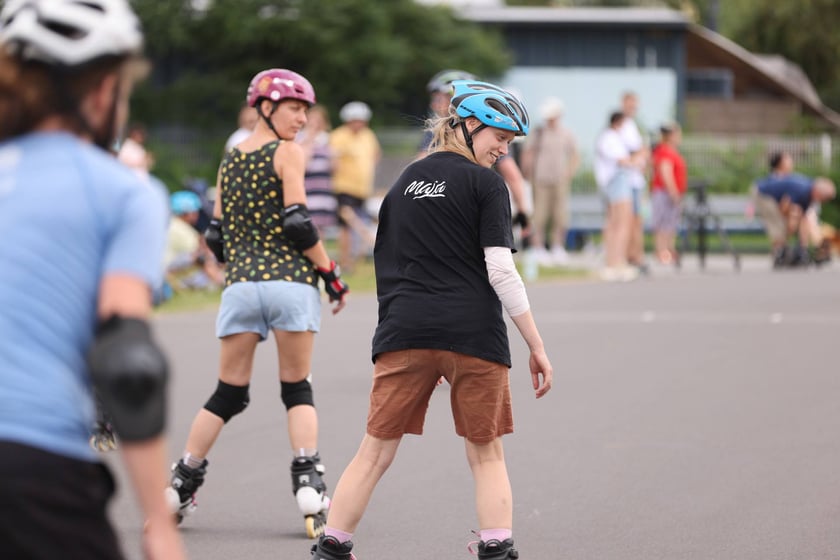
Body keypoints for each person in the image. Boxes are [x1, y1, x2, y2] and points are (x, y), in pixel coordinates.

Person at [309, 79, 553, 560]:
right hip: (474, 335)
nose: (503, 150)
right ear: (468, 125)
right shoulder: (487, 185)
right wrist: (536, 345)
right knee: (486, 453)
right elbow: (501, 269)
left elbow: (386, 263)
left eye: (510, 142)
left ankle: (332, 547)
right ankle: (496, 549)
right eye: (499, 137)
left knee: (374, 450)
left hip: (405, 331)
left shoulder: (403, 182)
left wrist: (400, 332)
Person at [0, 1, 186, 559]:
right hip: (31, 464)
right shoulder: (122, 191)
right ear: (104, 91)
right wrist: (160, 523)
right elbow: (127, 362)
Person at [166, 68, 349, 540]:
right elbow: (298, 223)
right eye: (295, 108)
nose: (302, 118)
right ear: (266, 108)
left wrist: (245, 266)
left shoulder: (230, 158)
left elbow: (215, 236)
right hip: (290, 284)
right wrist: (330, 273)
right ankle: (309, 485)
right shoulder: (287, 152)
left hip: (241, 288)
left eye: (306, 110)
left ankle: (181, 482)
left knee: (227, 393)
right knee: (297, 388)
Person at [420, 70, 531, 236]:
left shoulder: (440, 133)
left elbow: (419, 167)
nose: (433, 105)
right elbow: (513, 175)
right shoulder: (439, 132)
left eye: (438, 99)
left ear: (453, 98)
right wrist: (523, 211)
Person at [519, 96, 580, 266]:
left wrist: (568, 172)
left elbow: (575, 155)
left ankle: (557, 247)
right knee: (539, 216)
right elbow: (528, 153)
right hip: (540, 180)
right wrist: (526, 174)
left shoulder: (566, 133)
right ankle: (538, 248)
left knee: (560, 216)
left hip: (559, 180)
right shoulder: (538, 133)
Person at [752, 151, 836, 267]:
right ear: (817, 192)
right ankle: (780, 252)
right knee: (779, 223)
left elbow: (804, 218)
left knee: (800, 219)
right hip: (763, 194)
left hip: (778, 199)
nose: (822, 201)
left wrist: (802, 244)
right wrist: (789, 221)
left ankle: (801, 250)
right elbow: (784, 206)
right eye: (823, 198)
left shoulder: (809, 194)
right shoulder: (801, 190)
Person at [329, 100, 380, 272]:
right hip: (344, 187)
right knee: (347, 226)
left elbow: (375, 154)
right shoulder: (338, 136)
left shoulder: (368, 135)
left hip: (363, 188)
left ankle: (356, 260)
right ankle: (345, 261)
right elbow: (333, 161)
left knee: (361, 224)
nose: (359, 124)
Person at [595, 111, 645, 281]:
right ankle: (617, 262)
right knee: (621, 223)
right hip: (618, 180)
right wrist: (636, 161)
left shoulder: (611, 138)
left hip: (616, 180)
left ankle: (613, 261)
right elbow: (622, 160)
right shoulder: (609, 137)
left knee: (615, 222)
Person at [164, 190, 224, 293]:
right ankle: (222, 283)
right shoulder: (181, 229)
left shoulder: (171, 224)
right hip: (168, 270)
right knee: (203, 257)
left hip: (166, 268)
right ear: (188, 213)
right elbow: (198, 254)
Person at [618, 91, 650, 271]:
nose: (633, 107)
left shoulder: (633, 125)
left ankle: (636, 254)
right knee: (629, 221)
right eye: (630, 104)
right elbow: (630, 151)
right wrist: (641, 152)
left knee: (637, 220)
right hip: (628, 181)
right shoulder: (622, 125)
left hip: (637, 180)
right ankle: (632, 255)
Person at [649, 122, 687, 264]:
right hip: (665, 192)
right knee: (663, 223)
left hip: (669, 192)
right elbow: (666, 173)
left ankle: (669, 250)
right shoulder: (665, 151)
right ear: (671, 136)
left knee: (671, 223)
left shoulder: (670, 151)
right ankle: (662, 252)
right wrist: (673, 192)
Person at [297, 104, 338, 236]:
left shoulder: (328, 141)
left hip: (323, 191)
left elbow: (334, 169)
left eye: (318, 120)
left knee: (320, 232)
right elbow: (304, 166)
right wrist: (310, 140)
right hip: (307, 192)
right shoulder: (299, 140)